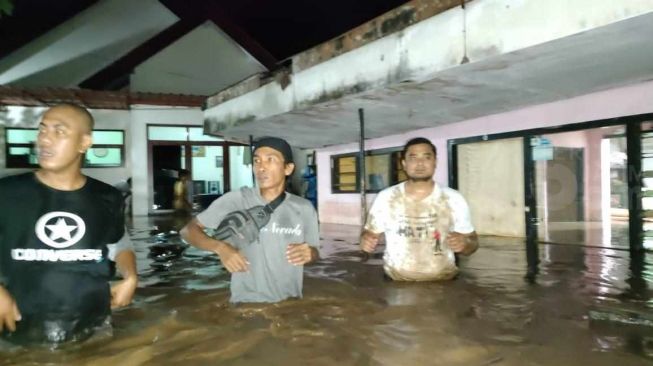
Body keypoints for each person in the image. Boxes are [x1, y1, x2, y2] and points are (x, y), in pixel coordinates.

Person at [0, 104, 138, 345]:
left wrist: (130, 276)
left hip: (93, 326)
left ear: (84, 143)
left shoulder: (107, 197)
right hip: (18, 325)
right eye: (42, 130)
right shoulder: (7, 192)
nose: (44, 139)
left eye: (59, 131)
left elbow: (118, 242)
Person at [181, 137, 319, 303]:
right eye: (257, 161)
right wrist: (220, 248)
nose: (261, 167)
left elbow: (315, 252)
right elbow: (188, 230)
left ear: (288, 168)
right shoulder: (236, 200)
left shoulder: (304, 208)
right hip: (246, 303)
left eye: (270, 160)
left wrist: (310, 254)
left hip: (290, 302)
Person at [360, 137, 478, 281]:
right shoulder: (386, 197)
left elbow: (472, 242)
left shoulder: (453, 198)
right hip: (396, 282)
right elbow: (370, 232)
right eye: (413, 157)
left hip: (444, 283)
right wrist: (365, 241)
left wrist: (465, 244)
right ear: (404, 163)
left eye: (426, 157)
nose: (420, 163)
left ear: (435, 162)